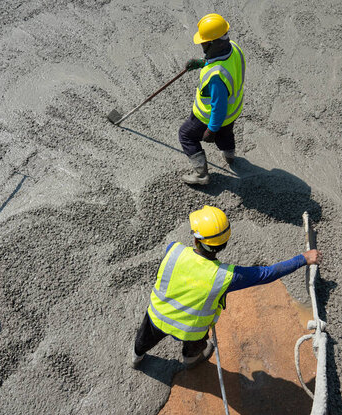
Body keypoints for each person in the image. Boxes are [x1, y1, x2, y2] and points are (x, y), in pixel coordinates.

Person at [131, 205, 322, 368]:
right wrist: (303, 258)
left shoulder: (172, 250)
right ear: (224, 243)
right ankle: (190, 361)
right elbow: (266, 274)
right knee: (196, 344)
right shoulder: (227, 277)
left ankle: (137, 356)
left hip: (157, 317)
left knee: (144, 338)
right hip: (191, 330)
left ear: (196, 240)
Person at [180, 13, 246, 185]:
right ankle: (230, 155)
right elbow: (222, 62)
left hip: (209, 117)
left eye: (203, 41)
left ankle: (201, 175)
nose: (201, 44)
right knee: (226, 133)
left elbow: (218, 107)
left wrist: (211, 130)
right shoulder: (234, 48)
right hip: (233, 112)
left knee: (186, 135)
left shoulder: (216, 76)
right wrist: (202, 62)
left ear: (212, 43)